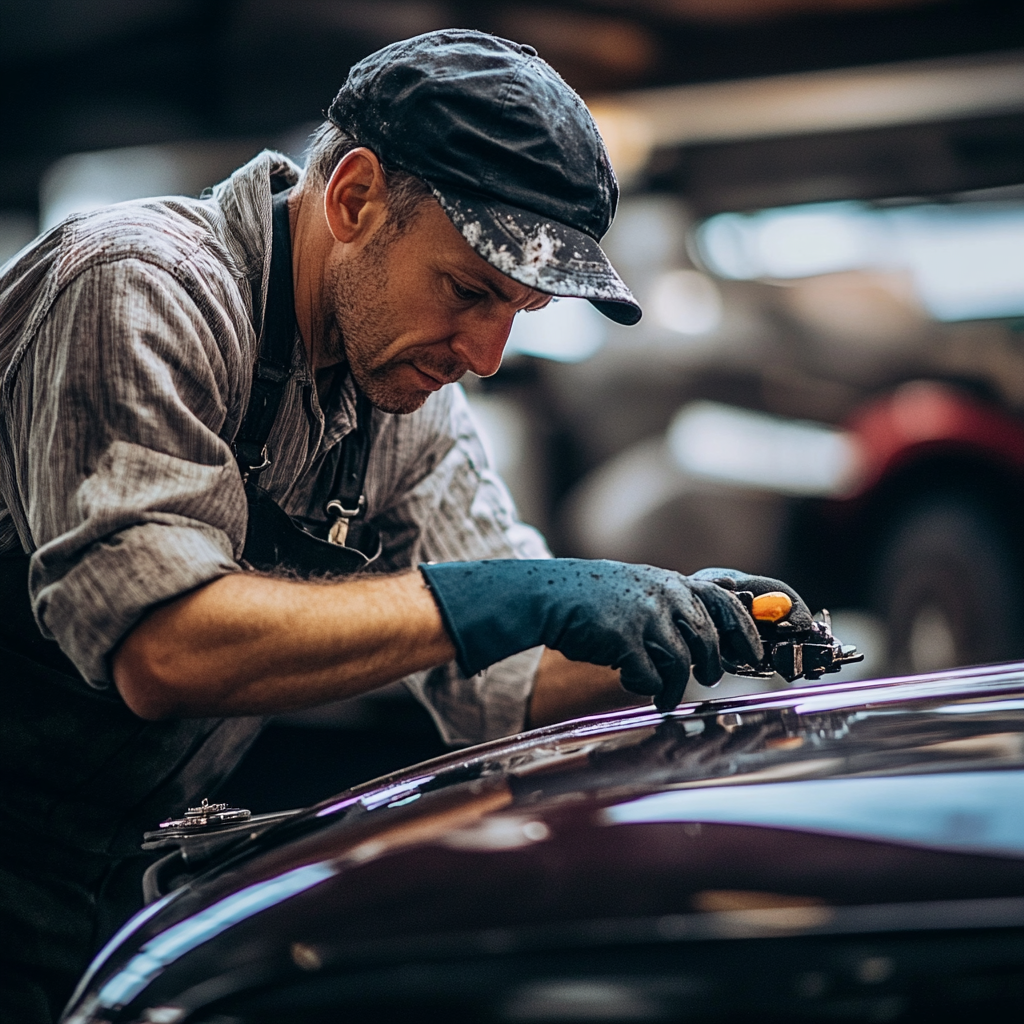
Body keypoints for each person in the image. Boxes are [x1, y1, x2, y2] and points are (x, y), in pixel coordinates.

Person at [0, 29, 811, 1024]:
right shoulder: (140, 287)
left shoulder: (404, 407)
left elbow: (509, 681)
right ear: (354, 198)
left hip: (122, 875)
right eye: (469, 291)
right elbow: (162, 647)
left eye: (519, 310)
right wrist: (511, 596)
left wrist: (684, 623)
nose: (483, 353)